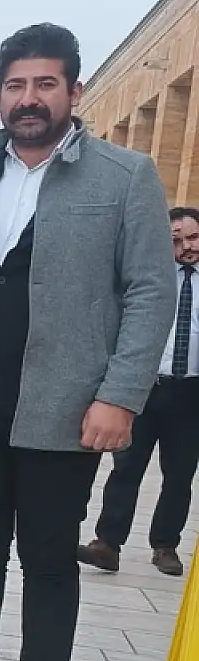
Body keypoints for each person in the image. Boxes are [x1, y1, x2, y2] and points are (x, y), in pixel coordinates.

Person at [0, 23, 176, 661]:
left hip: (66, 409)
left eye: (44, 84)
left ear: (74, 91)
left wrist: (120, 396)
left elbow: (152, 290)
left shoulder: (126, 176)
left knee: (48, 560)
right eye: (16, 85)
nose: (29, 98)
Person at [78, 205, 199, 577]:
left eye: (192, 237)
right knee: (126, 468)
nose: (185, 247)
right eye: (176, 240)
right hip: (146, 388)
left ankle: (166, 545)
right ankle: (108, 543)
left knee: (179, 474)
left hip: (191, 392)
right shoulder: (152, 278)